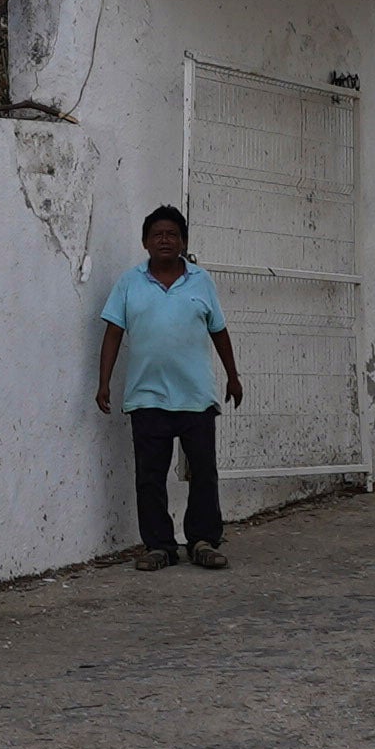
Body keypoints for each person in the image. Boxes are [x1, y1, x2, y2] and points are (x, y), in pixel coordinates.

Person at [92, 200, 248, 571]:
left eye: (172, 234)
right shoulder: (130, 282)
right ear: (146, 242)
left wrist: (233, 375)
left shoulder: (201, 280)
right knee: (150, 476)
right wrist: (103, 383)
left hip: (196, 397)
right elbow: (113, 333)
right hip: (147, 397)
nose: (165, 240)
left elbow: (219, 331)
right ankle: (159, 546)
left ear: (183, 242)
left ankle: (203, 540)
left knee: (204, 474)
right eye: (158, 234)